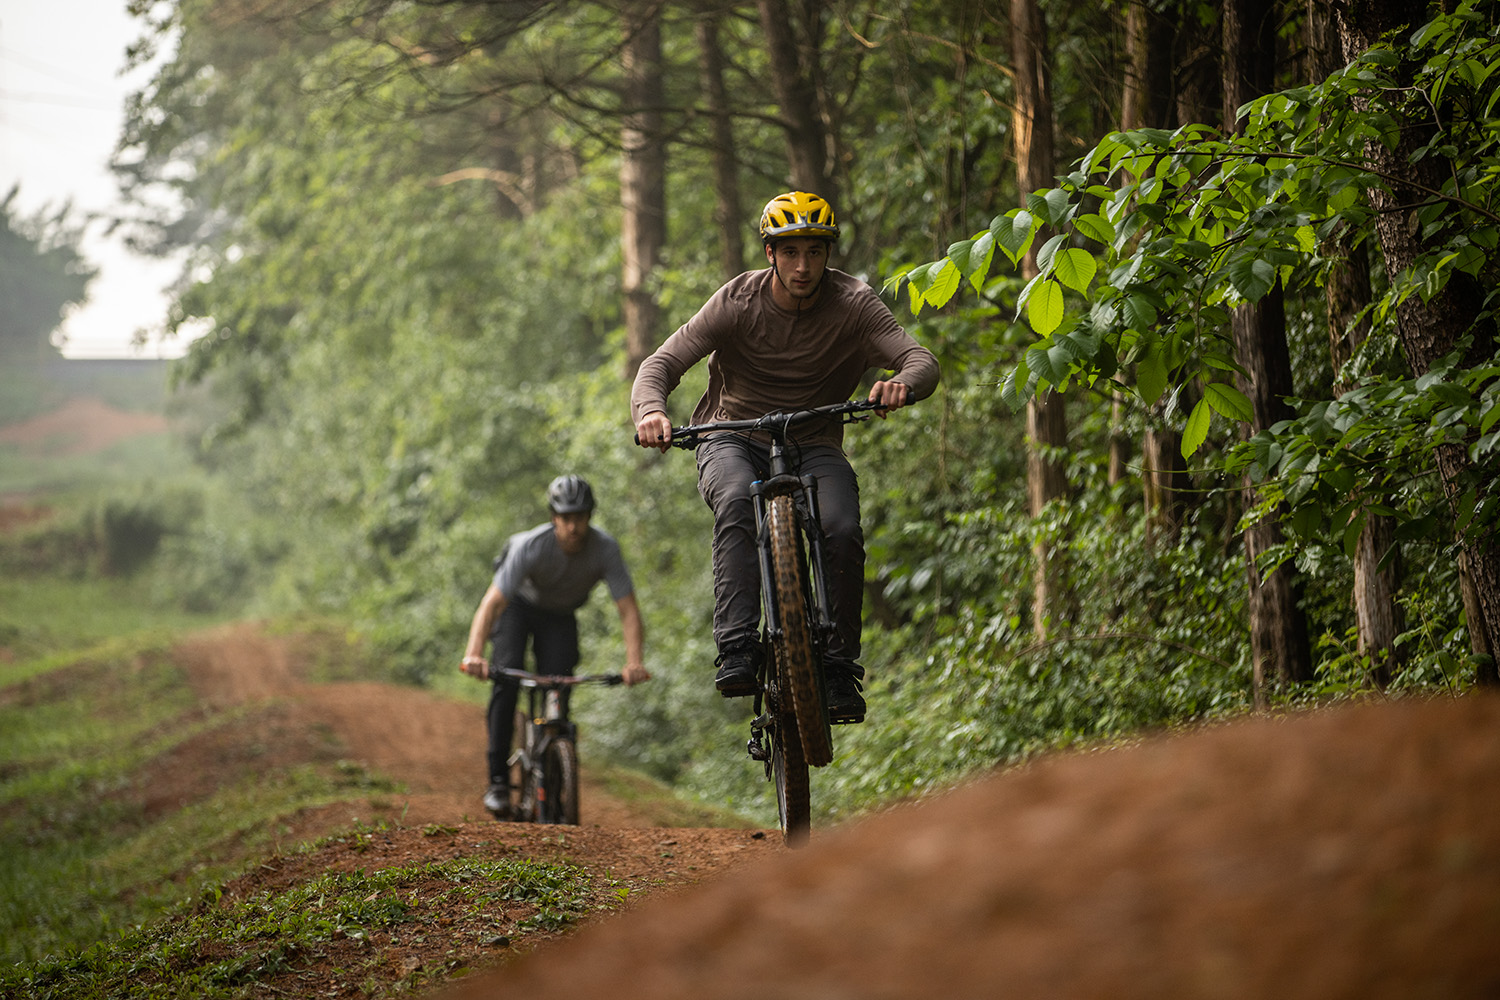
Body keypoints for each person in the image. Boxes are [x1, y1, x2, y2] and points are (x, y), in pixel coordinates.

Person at [631, 191, 939, 724]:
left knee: (841, 529)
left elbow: (920, 359)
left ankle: (839, 669)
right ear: (770, 252)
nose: (803, 266)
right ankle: (737, 647)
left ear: (828, 255)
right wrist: (651, 413)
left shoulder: (854, 303)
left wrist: (901, 384)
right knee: (734, 501)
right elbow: (661, 363)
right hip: (732, 434)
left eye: (815, 253)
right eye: (790, 252)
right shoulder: (738, 301)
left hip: (815, 441)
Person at [460, 474, 649, 819]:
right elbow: (492, 604)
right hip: (518, 606)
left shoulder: (605, 549)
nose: (573, 526)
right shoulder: (530, 546)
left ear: (589, 517)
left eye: (579, 517)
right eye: (565, 518)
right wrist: (474, 654)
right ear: (553, 518)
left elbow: (628, 609)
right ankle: (498, 781)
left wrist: (634, 662)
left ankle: (557, 756)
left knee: (560, 679)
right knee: (507, 677)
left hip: (560, 615)